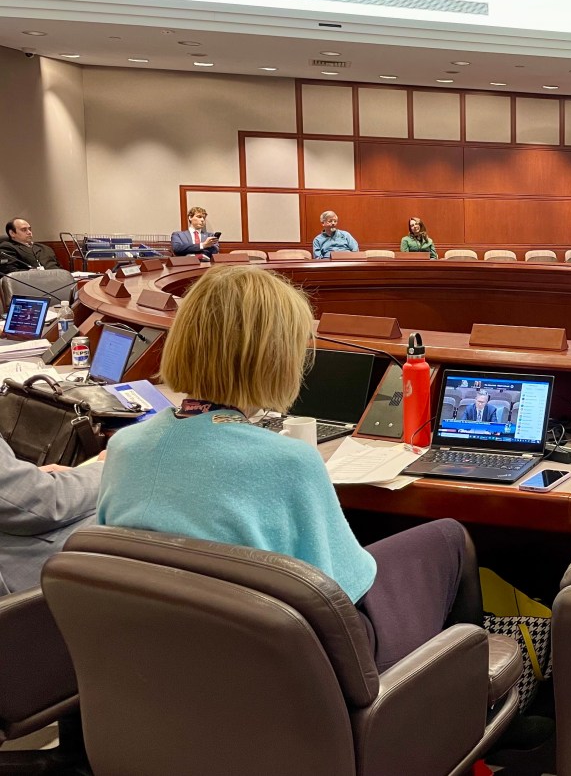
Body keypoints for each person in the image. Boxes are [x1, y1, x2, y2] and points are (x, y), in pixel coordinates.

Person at [97, 265, 472, 669]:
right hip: (311, 665)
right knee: (451, 540)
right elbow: (346, 589)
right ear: (276, 358)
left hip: (181, 662)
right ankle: (480, 697)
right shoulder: (288, 462)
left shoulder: (125, 447)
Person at [0, 437, 102, 595]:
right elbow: (42, 505)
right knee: (121, 510)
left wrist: (23, 478)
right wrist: (105, 468)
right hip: (11, 594)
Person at [0, 218, 65, 274]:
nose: (29, 232)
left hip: (57, 281)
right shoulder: (7, 248)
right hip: (30, 284)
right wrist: (29, 273)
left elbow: (59, 267)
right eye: (24, 230)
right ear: (12, 233)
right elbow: (9, 271)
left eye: (29, 229)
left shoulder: (45, 248)